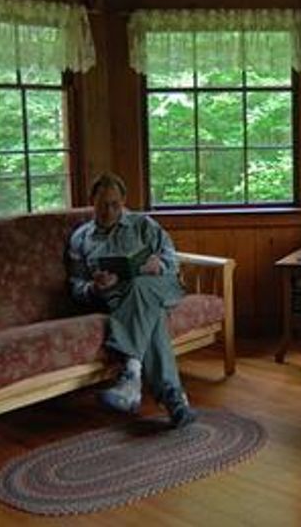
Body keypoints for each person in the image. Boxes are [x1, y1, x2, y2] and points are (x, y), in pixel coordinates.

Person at [67, 172, 197, 428]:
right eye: (102, 205)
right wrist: (93, 287)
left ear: (124, 202)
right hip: (120, 298)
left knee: (140, 286)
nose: (109, 211)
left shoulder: (144, 225)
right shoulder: (80, 238)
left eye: (115, 205)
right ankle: (175, 401)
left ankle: (132, 376)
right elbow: (75, 286)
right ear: (92, 202)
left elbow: (172, 259)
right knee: (150, 313)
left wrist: (159, 264)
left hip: (163, 286)